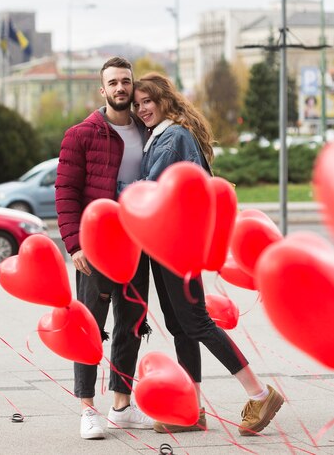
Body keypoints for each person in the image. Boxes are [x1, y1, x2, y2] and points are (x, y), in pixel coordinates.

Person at [132, 72, 284, 437]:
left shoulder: (172, 138)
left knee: (197, 322)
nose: (141, 109)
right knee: (180, 327)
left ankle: (259, 393)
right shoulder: (163, 136)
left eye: (147, 102)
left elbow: (153, 191)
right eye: (137, 105)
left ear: (164, 100)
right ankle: (191, 410)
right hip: (165, 246)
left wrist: (118, 191)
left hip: (178, 246)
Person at [55, 57, 153, 440]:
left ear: (132, 85)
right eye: (113, 82)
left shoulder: (147, 132)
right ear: (103, 90)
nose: (120, 88)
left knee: (130, 325)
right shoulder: (82, 134)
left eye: (125, 81)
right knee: (88, 328)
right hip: (94, 248)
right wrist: (74, 244)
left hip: (135, 245)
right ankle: (87, 409)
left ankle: (121, 407)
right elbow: (65, 193)